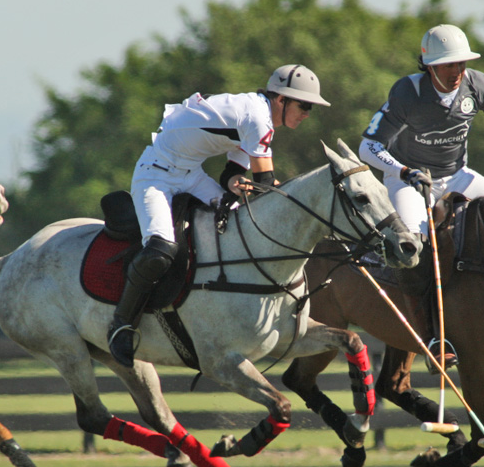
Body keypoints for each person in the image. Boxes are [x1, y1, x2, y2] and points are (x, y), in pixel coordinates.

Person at [108, 64, 331, 367]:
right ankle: (121, 323)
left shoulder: (259, 116)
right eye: (304, 105)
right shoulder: (257, 118)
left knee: (239, 228)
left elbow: (232, 173)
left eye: (311, 108)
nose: (307, 113)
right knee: (161, 250)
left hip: (190, 174)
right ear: (281, 100)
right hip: (155, 176)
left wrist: (235, 184)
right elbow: (266, 184)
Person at [358, 24, 484, 371]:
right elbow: (368, 146)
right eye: (448, 65)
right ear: (429, 66)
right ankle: (430, 334)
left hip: (457, 175)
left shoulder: (477, 84)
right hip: (409, 181)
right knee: (413, 248)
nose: (456, 72)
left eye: (460, 64)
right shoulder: (407, 93)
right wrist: (403, 172)